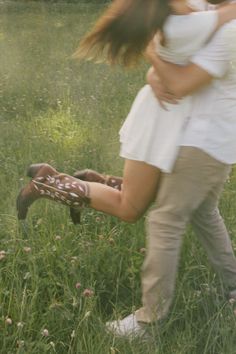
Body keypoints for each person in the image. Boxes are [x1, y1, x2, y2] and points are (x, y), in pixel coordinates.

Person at [17, 0, 236, 228]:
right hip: (161, 116)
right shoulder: (194, 21)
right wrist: (153, 58)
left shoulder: (191, 10)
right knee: (130, 208)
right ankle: (49, 183)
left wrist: (153, 66)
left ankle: (96, 182)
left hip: (172, 115)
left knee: (172, 193)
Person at [105, 0, 236, 338]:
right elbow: (176, 54)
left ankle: (149, 321)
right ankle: (233, 285)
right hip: (205, 134)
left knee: (166, 218)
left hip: (205, 138)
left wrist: (150, 53)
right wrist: (155, 69)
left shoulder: (229, 29)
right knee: (204, 212)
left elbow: (180, 82)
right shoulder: (209, 13)